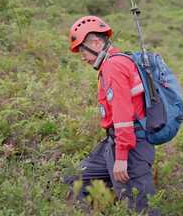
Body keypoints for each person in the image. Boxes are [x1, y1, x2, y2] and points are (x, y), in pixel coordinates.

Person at [66, 15, 158, 215]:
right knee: (75, 179)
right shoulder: (112, 63)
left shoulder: (113, 66)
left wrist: (122, 157)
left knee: (140, 209)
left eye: (82, 50)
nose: (82, 57)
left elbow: (123, 115)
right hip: (113, 142)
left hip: (131, 148)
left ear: (97, 43)